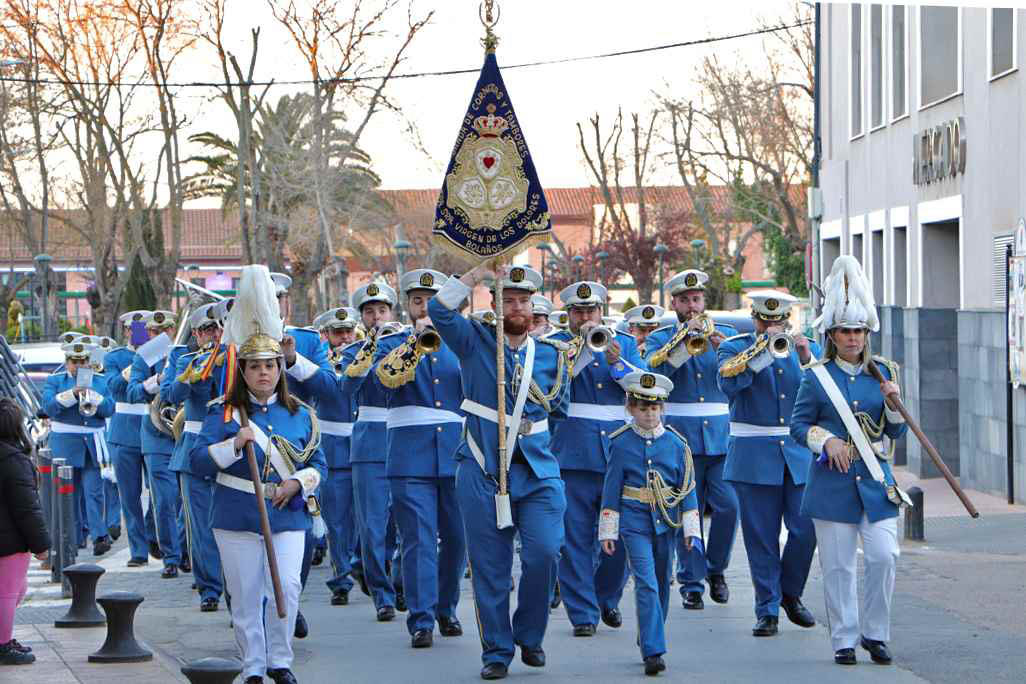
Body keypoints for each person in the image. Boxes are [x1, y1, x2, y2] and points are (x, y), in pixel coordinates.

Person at [428, 264, 571, 680]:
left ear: (534, 306)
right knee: (490, 568)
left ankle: (531, 634)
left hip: (538, 470)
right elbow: (439, 312)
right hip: (482, 467)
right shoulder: (475, 340)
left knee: (545, 553)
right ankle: (496, 650)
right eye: (508, 299)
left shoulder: (550, 355)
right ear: (494, 303)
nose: (517, 307)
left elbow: (559, 411)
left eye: (524, 300)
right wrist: (475, 273)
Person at [191, 265, 326, 684]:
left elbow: (318, 465)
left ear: (279, 370)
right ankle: (252, 666)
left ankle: (280, 662)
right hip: (235, 515)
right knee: (247, 596)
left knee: (286, 586)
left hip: (287, 512)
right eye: (254, 366)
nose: (263, 372)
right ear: (243, 371)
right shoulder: (224, 413)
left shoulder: (299, 415)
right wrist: (234, 443)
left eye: (270, 365)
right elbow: (197, 463)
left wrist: (297, 483)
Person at [790, 256, 908, 666]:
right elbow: (798, 425)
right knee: (838, 566)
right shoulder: (817, 375)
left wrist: (894, 404)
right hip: (833, 482)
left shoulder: (885, 372)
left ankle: (875, 634)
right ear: (833, 334)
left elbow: (896, 433)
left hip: (877, 481)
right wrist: (826, 442)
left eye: (859, 331)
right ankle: (843, 638)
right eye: (845, 331)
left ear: (867, 333)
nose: (853, 338)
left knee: (883, 556)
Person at [370, 269, 466, 648]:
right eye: (417, 301)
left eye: (432, 300)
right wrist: (414, 343)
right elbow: (380, 382)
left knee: (458, 539)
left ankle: (447, 607)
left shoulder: (463, 340)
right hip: (409, 455)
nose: (424, 306)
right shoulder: (390, 341)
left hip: (457, 452)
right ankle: (422, 618)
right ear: (407, 306)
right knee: (419, 539)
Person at [716, 290, 820, 637]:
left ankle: (790, 593)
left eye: (779, 322)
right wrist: (761, 352)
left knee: (805, 528)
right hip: (753, 452)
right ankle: (766, 609)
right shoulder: (734, 348)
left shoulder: (806, 349)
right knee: (760, 536)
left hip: (798, 453)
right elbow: (729, 385)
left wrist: (805, 355)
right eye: (766, 321)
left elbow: (821, 390)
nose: (773, 327)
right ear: (756, 320)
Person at [547, 280, 643, 636]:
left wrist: (617, 363)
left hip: (618, 452)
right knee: (574, 538)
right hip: (572, 451)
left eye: (591, 311)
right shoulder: (554, 345)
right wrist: (584, 350)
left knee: (620, 535)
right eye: (578, 311)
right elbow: (552, 386)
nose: (585, 317)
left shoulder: (626, 344)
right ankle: (583, 613)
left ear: (603, 311)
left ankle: (606, 597)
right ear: (568, 314)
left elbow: (645, 386)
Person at [645, 270, 738, 611]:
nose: (691, 305)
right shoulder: (660, 339)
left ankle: (716, 570)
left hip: (721, 436)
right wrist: (683, 346)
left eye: (696, 299)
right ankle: (691, 580)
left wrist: (718, 345)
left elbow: (736, 376)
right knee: (689, 511)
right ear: (674, 304)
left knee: (729, 507)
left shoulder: (726, 336)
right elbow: (653, 376)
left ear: (704, 301)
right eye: (684, 300)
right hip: (681, 435)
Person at [598, 372, 699, 676]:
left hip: (665, 521)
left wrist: (691, 529)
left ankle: (649, 633)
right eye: (643, 409)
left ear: (662, 409)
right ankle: (654, 650)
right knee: (646, 582)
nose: (649, 414)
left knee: (662, 583)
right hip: (634, 520)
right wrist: (608, 529)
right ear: (630, 409)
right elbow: (611, 486)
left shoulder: (677, 443)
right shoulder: (621, 442)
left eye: (654, 408)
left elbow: (687, 487)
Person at [272, 272, 331, 639]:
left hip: (298, 446)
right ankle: (254, 606)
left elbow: (330, 388)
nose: (274, 306)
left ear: (287, 304)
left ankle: (290, 603)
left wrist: (293, 359)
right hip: (250, 443)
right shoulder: (232, 342)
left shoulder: (307, 339)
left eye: (278, 300)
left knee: (303, 534)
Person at [339, 282, 403, 622]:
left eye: (382, 310)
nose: (377, 317)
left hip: (406, 438)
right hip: (370, 443)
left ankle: (398, 579)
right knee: (373, 523)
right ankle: (382, 593)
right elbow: (346, 387)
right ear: (361, 318)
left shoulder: (410, 344)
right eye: (369, 312)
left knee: (403, 520)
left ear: (392, 312)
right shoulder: (354, 351)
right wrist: (370, 350)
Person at [287, 307, 360, 607]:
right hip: (332, 446)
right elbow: (322, 389)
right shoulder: (320, 363)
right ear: (326, 336)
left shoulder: (364, 353)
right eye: (338, 332)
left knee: (368, 521)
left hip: (367, 445)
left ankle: (363, 566)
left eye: (348, 331)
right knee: (337, 521)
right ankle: (340, 578)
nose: (344, 337)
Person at [168, 302, 226, 612]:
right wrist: (190, 375)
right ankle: (209, 588)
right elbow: (170, 395)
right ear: (196, 333)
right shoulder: (184, 359)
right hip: (193, 446)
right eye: (206, 329)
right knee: (200, 525)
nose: (213, 334)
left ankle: (233, 585)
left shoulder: (232, 359)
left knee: (231, 522)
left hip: (228, 446)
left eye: (218, 328)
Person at [42, 341, 115, 555]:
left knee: (94, 493)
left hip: (92, 444)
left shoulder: (100, 381)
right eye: (74, 361)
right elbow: (48, 407)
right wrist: (73, 394)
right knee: (69, 495)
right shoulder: (55, 381)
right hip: (65, 444)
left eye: (83, 361)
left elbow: (109, 409)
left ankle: (99, 536)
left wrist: (95, 397)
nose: (79, 365)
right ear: (67, 363)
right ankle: (72, 539)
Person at [127, 310, 184, 578]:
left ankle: (185, 549)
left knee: (185, 499)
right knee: (164, 500)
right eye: (153, 332)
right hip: (157, 435)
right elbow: (132, 392)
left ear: (174, 330)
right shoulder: (142, 357)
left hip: (184, 434)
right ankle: (171, 557)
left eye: (166, 330)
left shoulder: (184, 354)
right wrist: (157, 381)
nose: (160, 336)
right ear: (147, 333)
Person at [0, 398, 50, 666]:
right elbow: (27, 509)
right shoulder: (13, 460)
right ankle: (2, 644)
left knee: (15, 591)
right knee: (9, 593)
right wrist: (41, 545)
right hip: (9, 541)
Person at [104, 311, 154, 566]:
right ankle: (138, 549)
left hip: (154, 427)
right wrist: (137, 363)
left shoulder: (160, 354)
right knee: (130, 495)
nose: (140, 334)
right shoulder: (115, 357)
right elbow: (113, 386)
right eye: (136, 330)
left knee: (161, 493)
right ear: (126, 331)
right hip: (124, 431)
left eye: (145, 329)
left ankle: (154, 534)